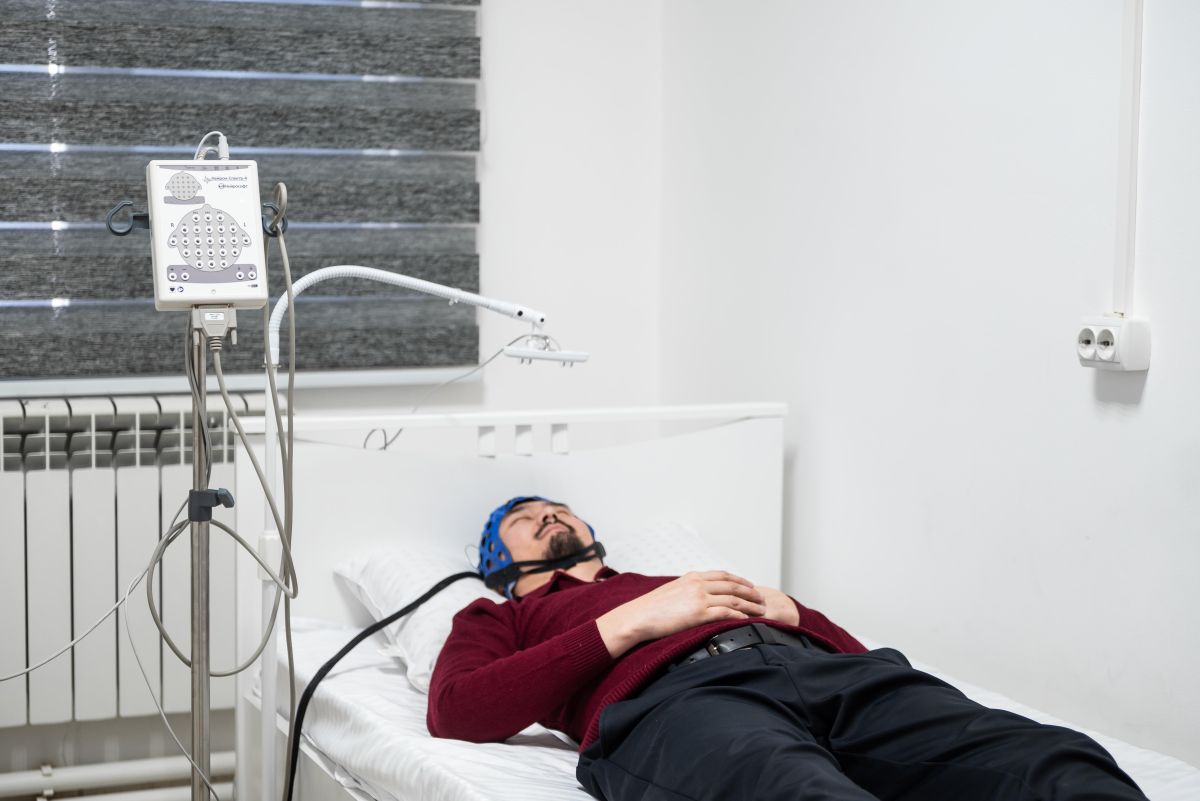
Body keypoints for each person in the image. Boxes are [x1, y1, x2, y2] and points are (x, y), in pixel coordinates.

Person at [427, 496, 1148, 801]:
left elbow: (855, 653)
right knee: (796, 792)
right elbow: (456, 709)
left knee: (1054, 762)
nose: (548, 514)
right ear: (498, 558)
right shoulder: (500, 614)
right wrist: (629, 624)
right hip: (680, 703)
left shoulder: (671, 578)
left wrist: (797, 612)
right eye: (525, 517)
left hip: (826, 674)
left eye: (559, 507)